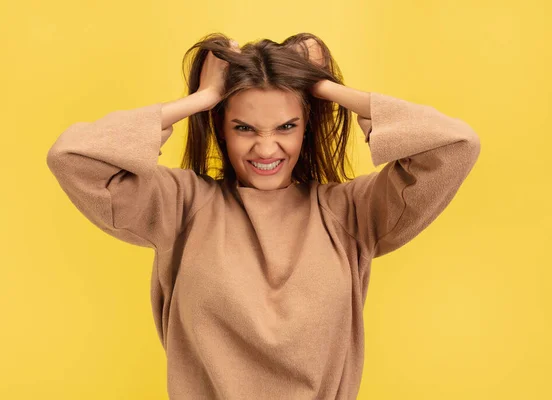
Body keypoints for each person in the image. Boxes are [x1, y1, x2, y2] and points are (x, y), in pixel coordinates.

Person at [46, 32, 481, 399]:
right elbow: (72, 158)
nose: (267, 148)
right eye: (244, 128)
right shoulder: (181, 206)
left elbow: (454, 144)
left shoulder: (350, 213)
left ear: (307, 126)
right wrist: (202, 98)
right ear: (220, 127)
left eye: (286, 126)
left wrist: (322, 88)